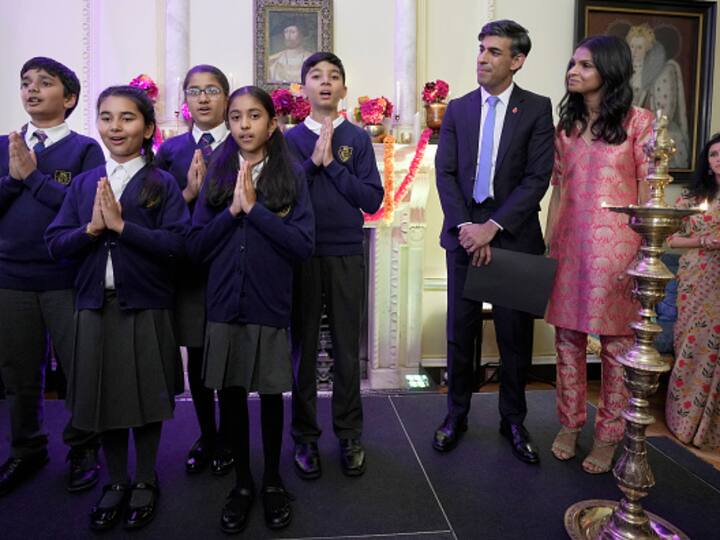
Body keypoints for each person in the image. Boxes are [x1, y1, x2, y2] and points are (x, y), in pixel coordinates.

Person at [45, 85, 190, 531]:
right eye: (106, 117)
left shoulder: (161, 183)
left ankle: (145, 478)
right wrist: (91, 229)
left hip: (145, 306)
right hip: (94, 305)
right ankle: (116, 479)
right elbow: (55, 243)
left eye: (127, 118)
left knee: (146, 399)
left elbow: (179, 246)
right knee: (101, 398)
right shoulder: (87, 183)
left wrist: (124, 227)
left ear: (147, 128)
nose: (115, 127)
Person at [187, 86, 314, 533]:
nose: (244, 124)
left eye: (254, 116)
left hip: (269, 303)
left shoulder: (292, 174)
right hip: (224, 306)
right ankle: (242, 483)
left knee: (272, 397)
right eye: (236, 116)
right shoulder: (218, 175)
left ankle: (274, 482)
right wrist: (230, 214)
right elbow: (195, 247)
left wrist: (256, 211)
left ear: (272, 124)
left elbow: (302, 245)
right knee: (233, 396)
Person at [434, 20, 554, 464]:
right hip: (463, 237)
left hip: (515, 238)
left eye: (494, 52)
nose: (482, 58)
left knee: (514, 337)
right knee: (459, 334)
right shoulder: (458, 109)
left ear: (517, 60)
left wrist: (493, 227)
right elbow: (445, 173)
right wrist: (468, 226)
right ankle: (456, 415)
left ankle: (514, 421)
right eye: (481, 49)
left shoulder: (537, 109)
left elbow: (536, 178)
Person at [545, 35, 654, 474]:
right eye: (572, 63)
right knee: (567, 342)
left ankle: (609, 436)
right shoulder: (567, 127)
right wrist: (549, 243)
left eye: (584, 65)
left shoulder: (638, 122)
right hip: (569, 249)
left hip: (619, 252)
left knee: (616, 347)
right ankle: (570, 425)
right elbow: (558, 190)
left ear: (608, 70)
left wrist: (646, 253)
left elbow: (649, 191)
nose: (573, 71)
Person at [0, 57, 104, 497]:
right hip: (11, 277)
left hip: (64, 277)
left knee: (79, 367)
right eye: (26, 83)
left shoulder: (85, 150)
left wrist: (34, 178)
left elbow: (83, 210)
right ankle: (28, 447)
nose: (32, 90)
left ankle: (83, 447)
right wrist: (15, 178)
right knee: (19, 371)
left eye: (45, 83)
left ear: (70, 97)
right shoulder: (5, 146)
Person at [286, 52, 383, 480]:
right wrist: (312, 163)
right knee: (303, 349)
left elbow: (371, 200)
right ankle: (305, 436)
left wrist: (333, 165)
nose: (325, 82)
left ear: (343, 88)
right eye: (316, 76)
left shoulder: (357, 139)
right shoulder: (287, 140)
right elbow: (283, 198)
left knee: (346, 348)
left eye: (334, 76)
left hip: (345, 251)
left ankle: (349, 433)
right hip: (302, 253)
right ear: (302, 88)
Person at [155, 64, 234, 476]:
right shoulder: (170, 151)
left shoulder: (241, 142)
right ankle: (209, 434)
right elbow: (156, 211)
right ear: (185, 101)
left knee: (230, 361)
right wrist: (188, 192)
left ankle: (231, 436)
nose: (203, 98)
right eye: (194, 91)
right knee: (200, 362)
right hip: (188, 272)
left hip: (230, 268)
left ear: (226, 97)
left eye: (212, 90)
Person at [665, 132, 720, 449]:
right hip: (697, 278)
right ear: (708, 162)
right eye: (714, 154)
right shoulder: (690, 199)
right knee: (694, 344)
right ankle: (684, 422)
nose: (718, 159)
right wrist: (705, 241)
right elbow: (670, 240)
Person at [626, 23, 689, 168]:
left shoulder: (663, 72)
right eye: (632, 46)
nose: (634, 51)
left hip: (655, 132)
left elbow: (664, 113)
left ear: (648, 50)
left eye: (640, 47)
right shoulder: (624, 72)